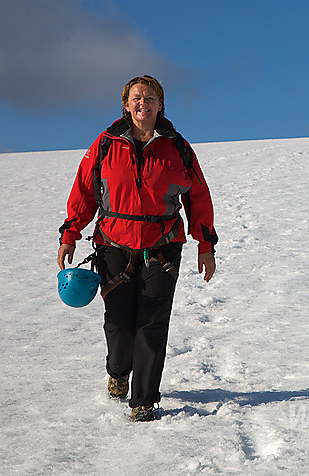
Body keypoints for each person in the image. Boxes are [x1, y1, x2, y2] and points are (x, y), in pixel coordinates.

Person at [57, 75, 218, 422]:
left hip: (163, 247)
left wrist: (205, 244)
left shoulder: (178, 148)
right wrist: (70, 233)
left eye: (150, 97)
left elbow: (198, 197)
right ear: (126, 105)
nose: (142, 103)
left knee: (152, 322)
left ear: (161, 105)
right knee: (118, 324)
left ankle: (144, 399)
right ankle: (118, 373)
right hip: (113, 245)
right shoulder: (105, 144)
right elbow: (85, 192)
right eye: (136, 98)